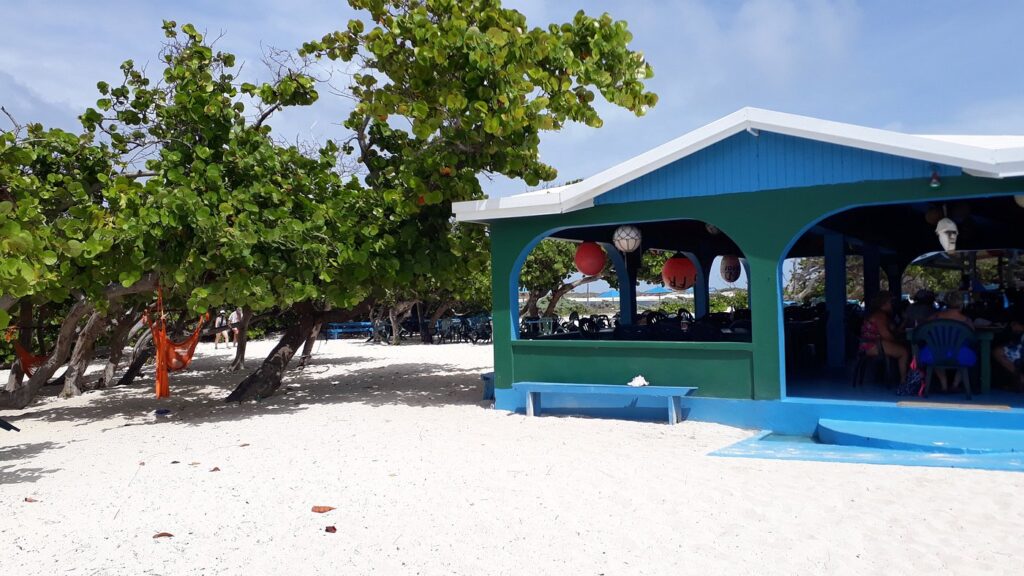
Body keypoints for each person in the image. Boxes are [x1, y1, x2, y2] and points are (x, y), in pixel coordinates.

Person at [920, 292, 976, 393]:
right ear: (961, 304)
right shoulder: (967, 321)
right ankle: (955, 384)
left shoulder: (935, 317)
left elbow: (922, 327)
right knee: (971, 352)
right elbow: (973, 337)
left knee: (933, 351)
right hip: (960, 355)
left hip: (935, 353)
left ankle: (943, 383)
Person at [859, 291, 909, 384]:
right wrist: (897, 340)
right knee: (904, 352)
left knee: (902, 347)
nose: (892, 305)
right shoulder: (880, 315)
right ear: (884, 303)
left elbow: (894, 330)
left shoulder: (880, 314)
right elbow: (886, 335)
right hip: (873, 345)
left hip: (870, 344)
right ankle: (904, 381)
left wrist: (904, 321)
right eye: (890, 302)